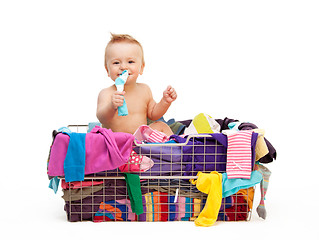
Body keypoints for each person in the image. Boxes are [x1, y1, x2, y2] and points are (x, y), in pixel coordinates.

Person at [96, 33, 177, 136]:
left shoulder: (144, 90)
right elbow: (101, 117)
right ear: (107, 70)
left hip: (140, 141)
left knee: (161, 125)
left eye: (130, 62)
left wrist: (165, 102)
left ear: (141, 68)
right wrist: (111, 106)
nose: (123, 67)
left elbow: (153, 114)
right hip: (116, 142)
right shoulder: (106, 93)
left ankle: (178, 148)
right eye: (116, 63)